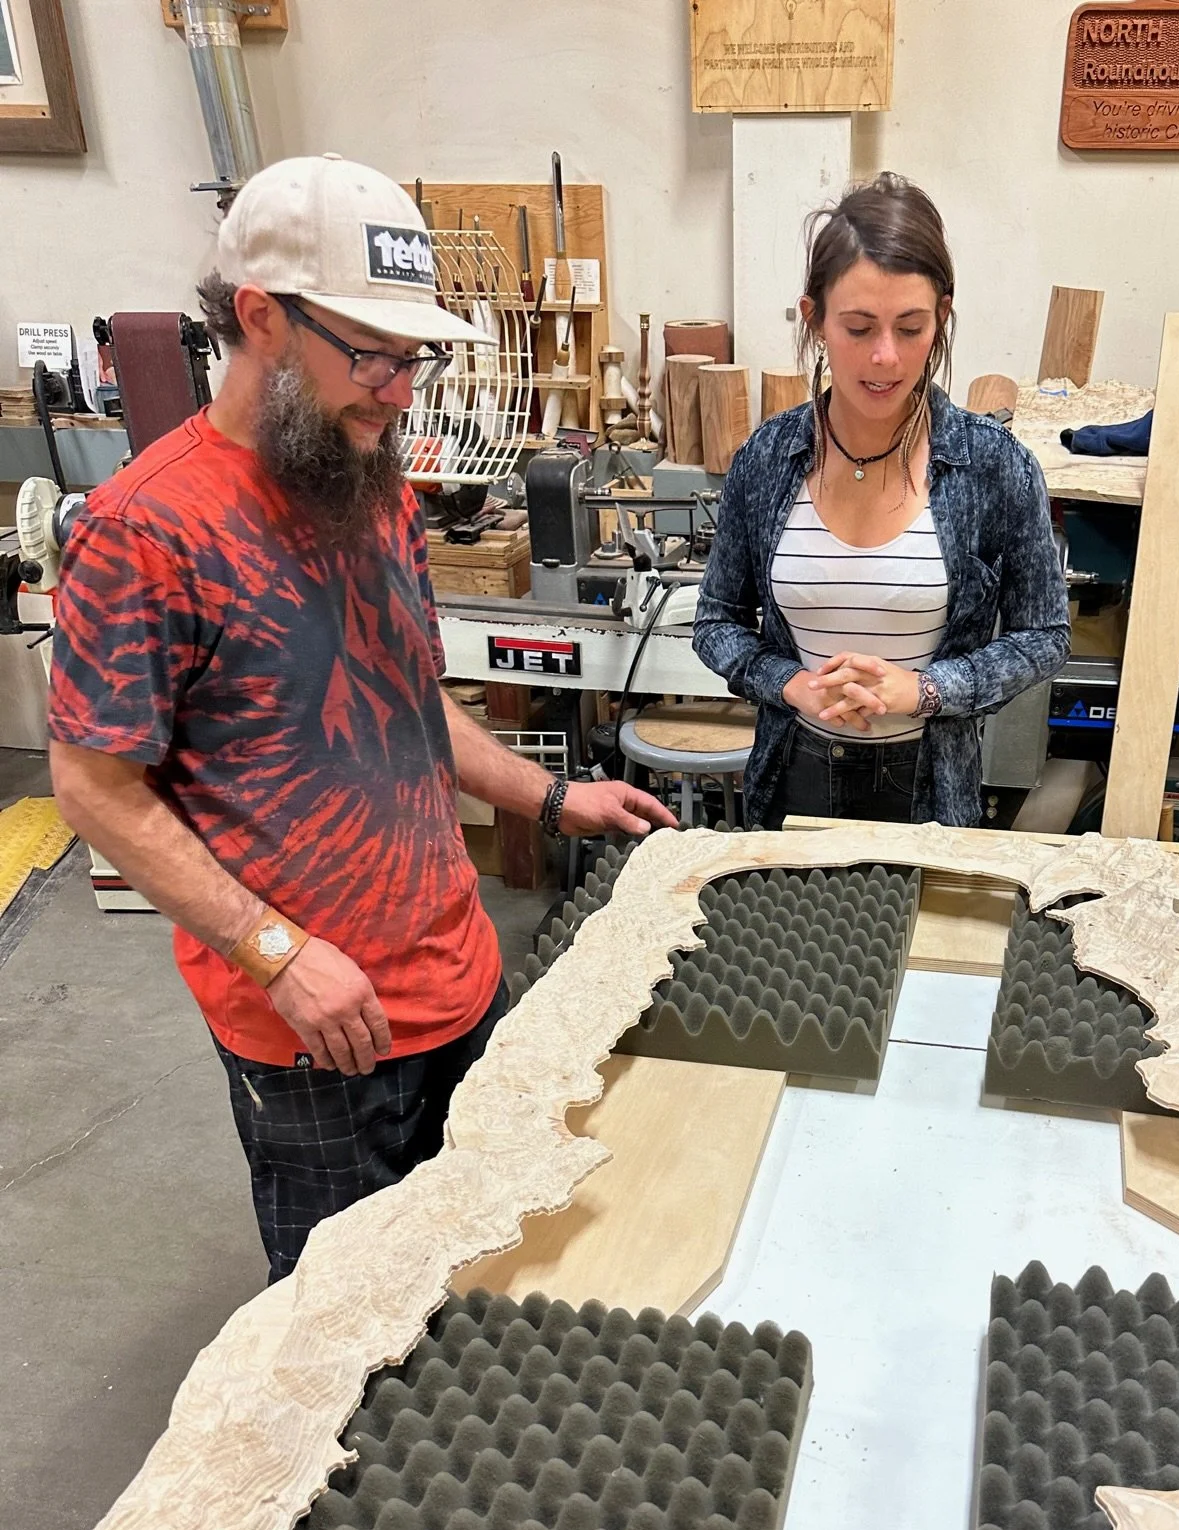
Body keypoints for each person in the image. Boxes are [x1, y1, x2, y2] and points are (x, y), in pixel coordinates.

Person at [48, 155, 674, 1284]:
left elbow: (410, 697)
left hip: (458, 974)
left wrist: (551, 795)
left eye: (411, 357)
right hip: (315, 1026)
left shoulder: (363, 476)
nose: (398, 388)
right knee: (350, 1335)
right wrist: (274, 952)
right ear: (259, 318)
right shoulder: (144, 531)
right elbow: (95, 788)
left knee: (480, 1281)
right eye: (372, 355)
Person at [693, 173, 1070, 829]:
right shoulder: (767, 461)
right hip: (792, 777)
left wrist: (927, 689)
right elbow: (716, 622)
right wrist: (791, 685)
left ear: (942, 317)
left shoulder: (995, 467)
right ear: (813, 320)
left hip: (929, 786)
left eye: (911, 327)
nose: (886, 357)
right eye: (859, 327)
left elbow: (1044, 637)